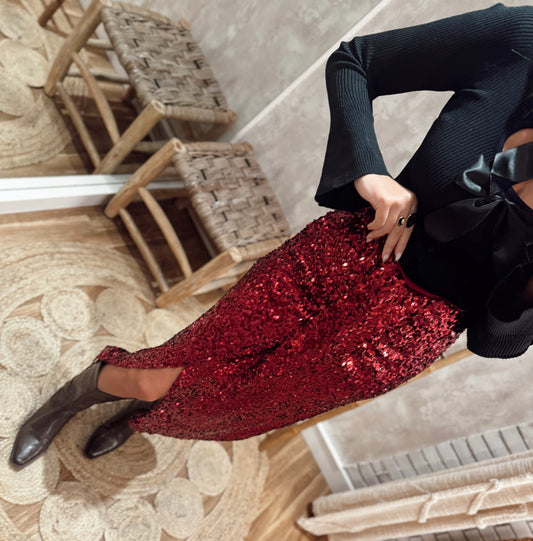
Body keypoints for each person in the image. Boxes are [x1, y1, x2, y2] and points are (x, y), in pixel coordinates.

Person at [10, 3, 533, 469]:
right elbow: (355, 62)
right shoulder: (521, 38)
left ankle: (146, 416)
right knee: (169, 370)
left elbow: (494, 340)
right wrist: (369, 171)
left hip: (399, 338)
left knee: (232, 410)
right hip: (341, 260)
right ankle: (87, 388)